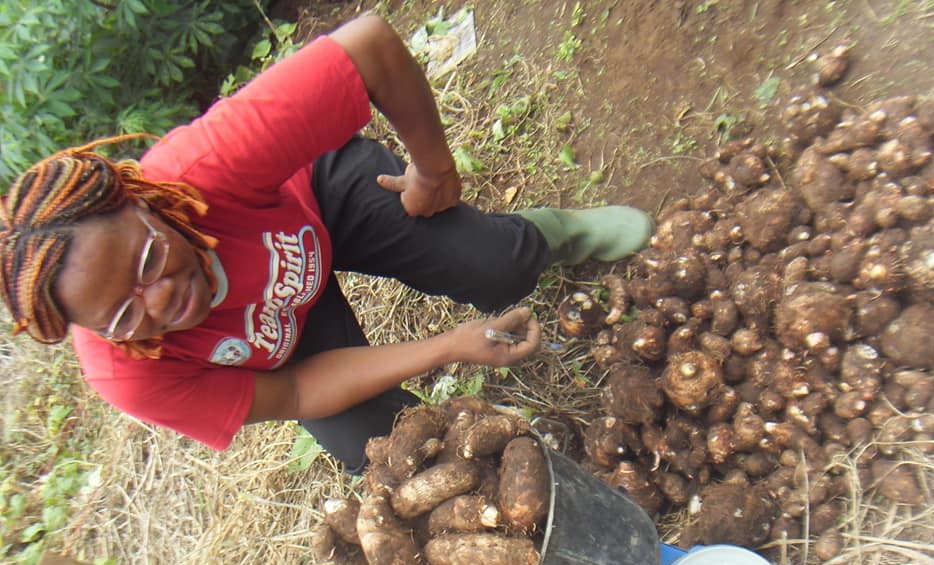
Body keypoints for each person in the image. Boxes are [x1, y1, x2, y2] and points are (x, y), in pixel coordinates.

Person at [0, 15, 653, 473]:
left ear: (139, 201)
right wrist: (446, 347)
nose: (161, 297)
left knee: (494, 266)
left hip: (317, 201)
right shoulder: (131, 374)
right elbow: (294, 395)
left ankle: (548, 235)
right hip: (289, 341)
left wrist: (433, 171)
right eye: (123, 313)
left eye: (147, 260)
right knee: (376, 449)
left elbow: (368, 46)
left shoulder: (201, 167)